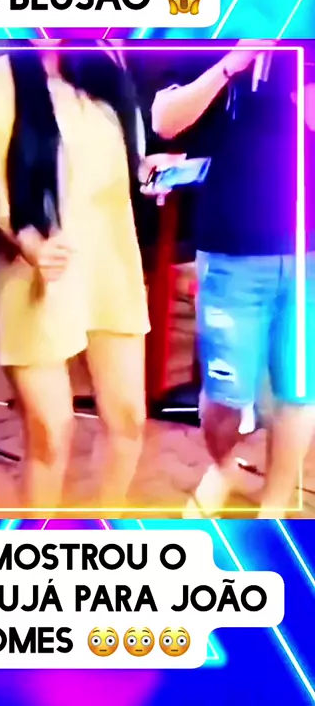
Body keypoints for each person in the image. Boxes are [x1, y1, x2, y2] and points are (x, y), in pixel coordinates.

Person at [0, 39, 153, 513]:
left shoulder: (103, 67)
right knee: (51, 434)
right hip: (29, 276)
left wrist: (146, 169)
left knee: (128, 421)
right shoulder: (0, 77)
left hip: (110, 265)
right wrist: (29, 240)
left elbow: (117, 157)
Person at [150, 39, 314, 518]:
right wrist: (232, 63)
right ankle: (223, 468)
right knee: (224, 396)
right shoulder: (213, 35)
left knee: (298, 389)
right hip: (230, 251)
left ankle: (275, 507)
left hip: (306, 252)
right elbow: (164, 120)